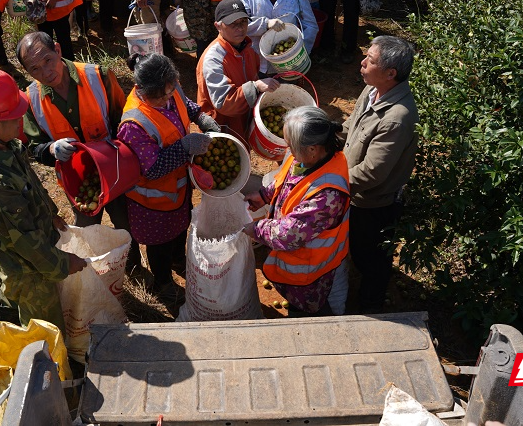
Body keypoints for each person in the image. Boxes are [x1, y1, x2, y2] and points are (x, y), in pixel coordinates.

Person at [0, 68, 88, 328]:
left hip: (36, 257)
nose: (22, 121)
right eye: (15, 117)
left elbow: (29, 181)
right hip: (31, 277)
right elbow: (27, 246)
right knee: (47, 337)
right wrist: (63, 264)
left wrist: (50, 211)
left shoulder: (2, 146)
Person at [17, 31, 141, 269]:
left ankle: (133, 266)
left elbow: (123, 120)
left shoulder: (98, 76)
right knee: (85, 226)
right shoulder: (30, 100)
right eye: (35, 69)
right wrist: (51, 149)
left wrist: (118, 155)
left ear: (58, 49)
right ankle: (92, 270)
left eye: (47, 61)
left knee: (125, 221)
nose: (46, 72)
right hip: (77, 180)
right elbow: (33, 147)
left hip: (113, 170)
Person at [117, 53, 220, 300]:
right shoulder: (133, 123)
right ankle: (163, 282)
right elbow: (151, 169)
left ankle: (178, 260)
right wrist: (184, 147)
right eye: (159, 96)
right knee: (159, 244)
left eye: (169, 92)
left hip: (179, 189)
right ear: (142, 91)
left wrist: (202, 118)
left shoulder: (169, 86)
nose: (166, 99)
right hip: (154, 201)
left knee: (180, 229)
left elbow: (185, 105)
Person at [243, 105, 350, 315]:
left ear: (312, 149)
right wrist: (265, 195)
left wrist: (254, 228)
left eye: (291, 145)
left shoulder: (327, 196)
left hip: (311, 273)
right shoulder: (306, 157)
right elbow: (288, 180)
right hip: (297, 262)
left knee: (307, 314)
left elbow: (288, 234)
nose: (288, 150)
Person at [342, 36, 418, 312]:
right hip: (353, 191)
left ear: (390, 73)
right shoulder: (373, 90)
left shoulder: (396, 118)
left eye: (370, 61)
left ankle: (371, 307)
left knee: (371, 257)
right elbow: (351, 127)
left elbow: (372, 173)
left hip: (373, 203)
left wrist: (329, 181)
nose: (362, 63)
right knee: (358, 249)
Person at [196, 0, 279, 134]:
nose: (240, 28)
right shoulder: (213, 59)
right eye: (232, 24)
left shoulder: (248, 49)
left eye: (243, 22)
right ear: (217, 26)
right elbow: (224, 102)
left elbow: (254, 74)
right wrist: (256, 86)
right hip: (221, 130)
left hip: (242, 123)